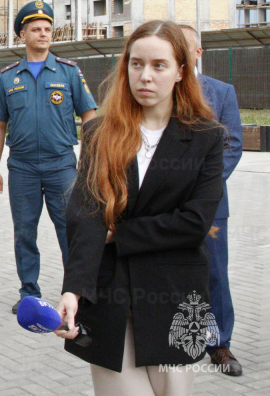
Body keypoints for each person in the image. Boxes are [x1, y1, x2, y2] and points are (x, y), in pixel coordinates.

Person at [56, 20, 225, 396]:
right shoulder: (100, 133)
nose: (145, 76)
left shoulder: (207, 138)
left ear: (182, 71)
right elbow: (84, 214)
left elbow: (195, 223)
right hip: (109, 294)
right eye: (136, 64)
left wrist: (120, 233)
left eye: (158, 65)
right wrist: (73, 289)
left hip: (175, 295)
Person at [0, 0, 97, 313]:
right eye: (36, 29)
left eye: (48, 29)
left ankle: (76, 293)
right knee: (24, 232)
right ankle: (29, 294)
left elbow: (89, 115)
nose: (43, 34)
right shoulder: (8, 78)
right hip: (22, 169)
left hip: (62, 166)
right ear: (23, 34)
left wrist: (88, 161)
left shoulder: (69, 72)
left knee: (71, 231)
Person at [181, 24, 243, 376]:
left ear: (198, 53)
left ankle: (219, 345)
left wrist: (204, 188)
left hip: (210, 206)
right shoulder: (161, 91)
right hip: (165, 204)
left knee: (215, 273)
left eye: (184, 48)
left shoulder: (221, 93)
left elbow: (232, 144)